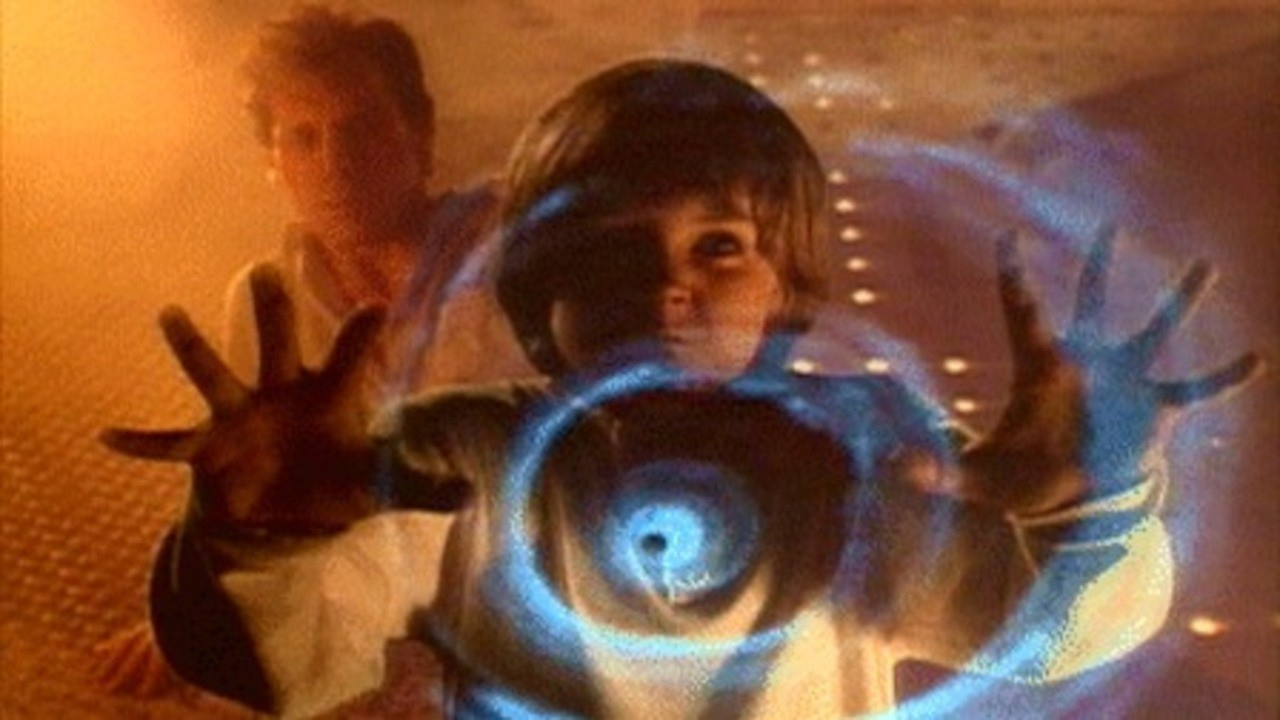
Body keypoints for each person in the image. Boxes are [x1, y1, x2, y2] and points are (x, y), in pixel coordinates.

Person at [103, 59, 1261, 717]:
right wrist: (255, 536)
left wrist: (1093, 507)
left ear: (786, 285)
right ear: (539, 295)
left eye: (718, 247)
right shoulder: (460, 454)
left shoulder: (857, 455)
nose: (666, 289)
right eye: (610, 253)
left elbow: (1045, 637)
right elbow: (285, 661)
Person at [93, 4, 528, 710]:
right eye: (303, 138)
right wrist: (203, 605)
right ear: (272, 163)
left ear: (420, 134)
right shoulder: (268, 305)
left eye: (362, 128)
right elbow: (255, 480)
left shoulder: (517, 261)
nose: (336, 163)